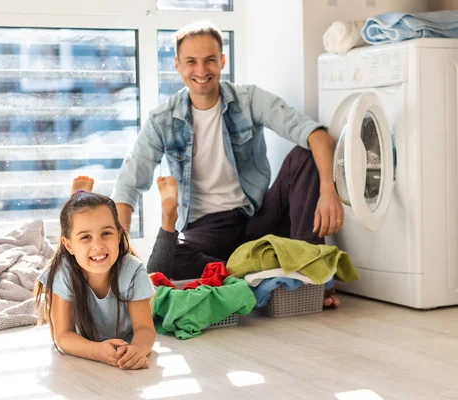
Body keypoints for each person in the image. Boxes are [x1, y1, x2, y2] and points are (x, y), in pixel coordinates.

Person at [111, 21, 344, 307]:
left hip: (257, 218)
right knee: (168, 264)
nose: (201, 70)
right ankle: (262, 277)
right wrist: (119, 250)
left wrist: (328, 191)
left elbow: (316, 135)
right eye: (191, 62)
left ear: (221, 61)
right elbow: (129, 183)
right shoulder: (163, 120)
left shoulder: (248, 100)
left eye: (209, 60)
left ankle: (309, 276)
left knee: (303, 155)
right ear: (177, 65)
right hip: (205, 232)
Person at [34, 175, 179, 369]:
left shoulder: (132, 269)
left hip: (121, 334)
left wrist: (137, 349)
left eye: (106, 233)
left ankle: (79, 202)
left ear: (119, 235)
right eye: (86, 237)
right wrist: (97, 351)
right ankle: (77, 198)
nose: (98, 245)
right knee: (77, 232)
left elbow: (144, 329)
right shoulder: (63, 272)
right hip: (84, 336)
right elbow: (63, 336)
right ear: (68, 245)